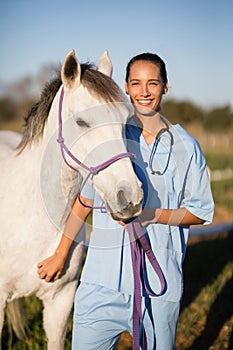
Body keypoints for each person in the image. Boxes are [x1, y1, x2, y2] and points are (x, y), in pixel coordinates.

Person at [37, 52, 214, 349]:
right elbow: (83, 202)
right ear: (126, 87)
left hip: (157, 289)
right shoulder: (111, 136)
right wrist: (60, 254)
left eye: (153, 83)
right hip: (99, 285)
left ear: (165, 87)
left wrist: (153, 215)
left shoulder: (187, 147)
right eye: (136, 84)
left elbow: (200, 212)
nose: (144, 92)